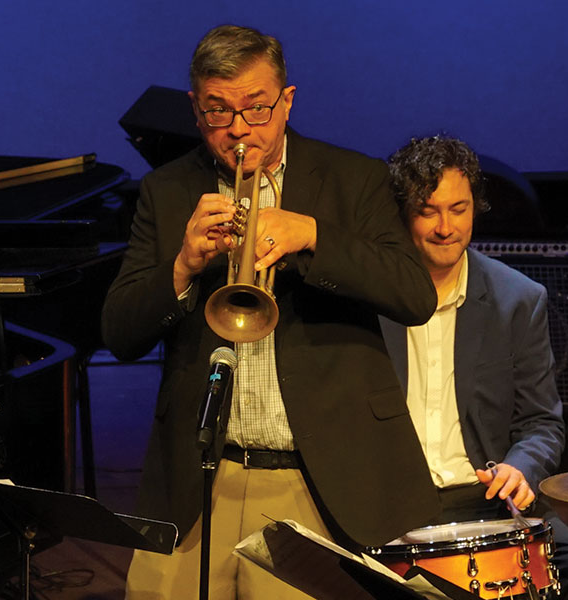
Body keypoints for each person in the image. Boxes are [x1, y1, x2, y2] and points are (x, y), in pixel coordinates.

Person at [102, 25, 439, 598]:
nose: (237, 128)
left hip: (312, 479)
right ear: (194, 106)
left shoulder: (352, 179)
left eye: (256, 109)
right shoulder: (166, 190)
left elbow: (414, 295)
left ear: (286, 100)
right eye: (218, 111)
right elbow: (119, 333)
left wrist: (311, 234)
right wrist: (183, 264)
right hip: (199, 480)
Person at [379, 135, 568, 599]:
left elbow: (542, 423)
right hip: (392, 503)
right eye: (429, 210)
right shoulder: (370, 293)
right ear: (404, 212)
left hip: (482, 500)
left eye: (459, 209)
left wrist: (519, 468)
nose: (446, 227)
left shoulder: (518, 299)